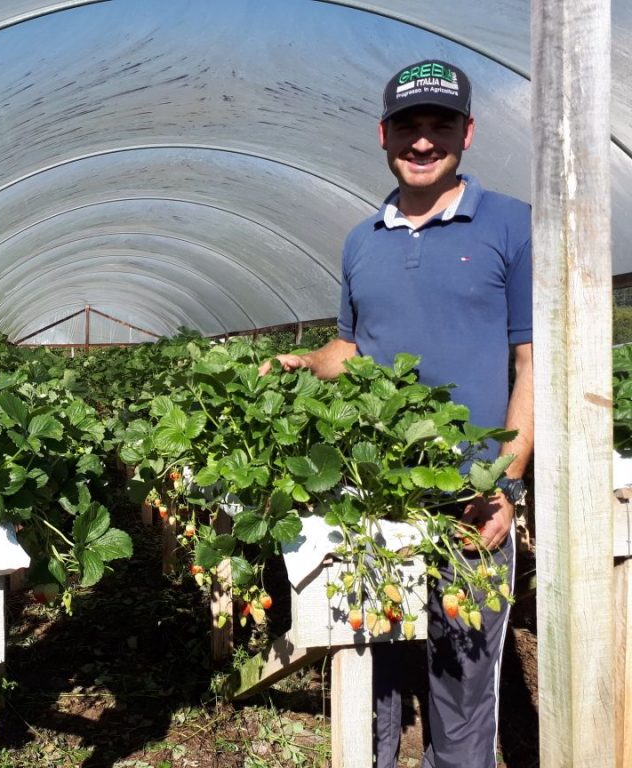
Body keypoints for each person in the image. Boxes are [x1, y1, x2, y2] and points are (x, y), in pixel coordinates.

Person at [261, 59, 533, 767]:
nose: (422, 141)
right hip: (373, 494)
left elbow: (533, 364)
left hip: (473, 496)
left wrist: (504, 485)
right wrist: (304, 364)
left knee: (466, 676)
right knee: (369, 659)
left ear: (467, 133)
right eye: (408, 126)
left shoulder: (512, 225)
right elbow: (352, 348)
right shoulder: (362, 241)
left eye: (439, 124)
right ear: (384, 135)